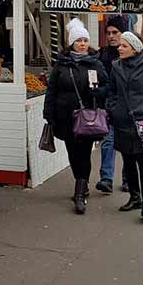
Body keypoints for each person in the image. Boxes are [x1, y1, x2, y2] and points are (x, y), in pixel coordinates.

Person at [44, 19, 108, 214]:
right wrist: (49, 114)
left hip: (87, 117)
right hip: (65, 117)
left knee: (84, 153)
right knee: (73, 153)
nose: (82, 43)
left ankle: (80, 193)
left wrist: (99, 93)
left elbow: (108, 86)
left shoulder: (95, 64)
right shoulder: (61, 65)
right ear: (71, 43)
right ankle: (82, 183)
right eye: (79, 40)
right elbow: (51, 90)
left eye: (85, 40)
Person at [107, 31, 143, 220]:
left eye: (124, 46)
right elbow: (112, 91)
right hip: (122, 120)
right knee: (128, 160)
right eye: (120, 45)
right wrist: (113, 108)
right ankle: (134, 197)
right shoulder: (116, 66)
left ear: (134, 48)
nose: (119, 48)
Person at [95, 15, 128, 194]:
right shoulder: (103, 54)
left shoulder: (131, 54)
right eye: (108, 33)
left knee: (127, 144)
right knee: (108, 142)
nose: (111, 36)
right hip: (108, 105)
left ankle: (128, 179)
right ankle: (106, 178)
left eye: (115, 32)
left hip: (128, 107)